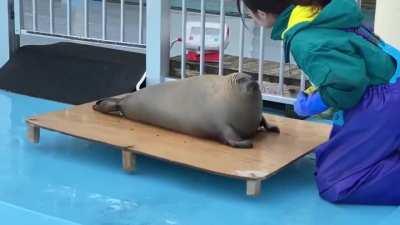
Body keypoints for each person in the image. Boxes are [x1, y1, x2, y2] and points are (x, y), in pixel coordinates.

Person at [237, 0, 400, 205]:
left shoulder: (303, 39)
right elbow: (350, 57)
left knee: (337, 183)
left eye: (249, 13)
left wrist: (312, 104)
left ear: (261, 13)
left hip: (385, 99)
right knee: (329, 155)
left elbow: (348, 85)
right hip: (389, 80)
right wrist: (321, 88)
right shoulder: (316, 12)